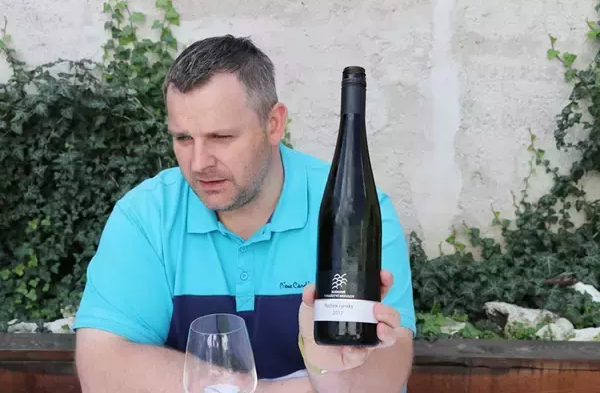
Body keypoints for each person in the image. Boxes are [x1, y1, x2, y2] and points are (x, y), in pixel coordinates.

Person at [73, 34, 416, 392]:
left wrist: (325, 363)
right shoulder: (147, 214)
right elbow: (103, 367)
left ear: (274, 124)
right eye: (183, 138)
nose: (199, 163)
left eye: (221, 137)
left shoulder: (357, 208)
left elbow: (383, 379)